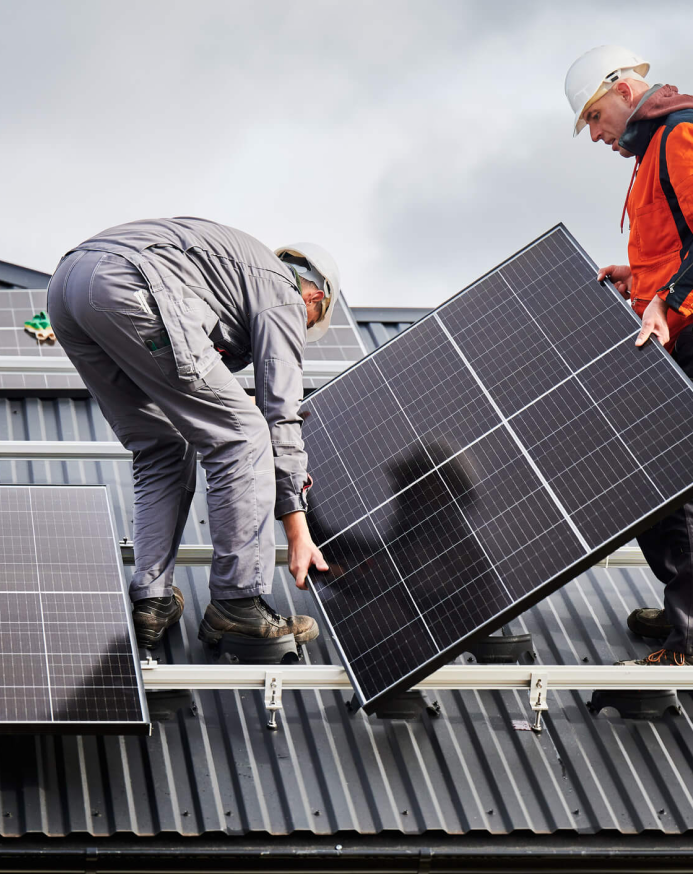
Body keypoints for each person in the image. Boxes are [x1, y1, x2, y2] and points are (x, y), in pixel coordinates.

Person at [47, 217, 333, 650]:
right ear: (315, 296)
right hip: (131, 281)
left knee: (162, 445)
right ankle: (238, 603)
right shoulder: (285, 292)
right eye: (308, 324)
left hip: (69, 287)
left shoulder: (233, 271)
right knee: (243, 434)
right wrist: (297, 526)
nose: (300, 332)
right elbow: (281, 413)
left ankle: (152, 598)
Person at [565, 46, 693, 666]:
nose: (594, 134)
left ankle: (688, 637)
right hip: (672, 327)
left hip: (688, 332)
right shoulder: (652, 151)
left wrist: (666, 301)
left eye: (593, 118)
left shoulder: (679, 133)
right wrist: (639, 279)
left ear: (620, 90)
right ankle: (682, 614)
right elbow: (675, 242)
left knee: (667, 481)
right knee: (648, 482)